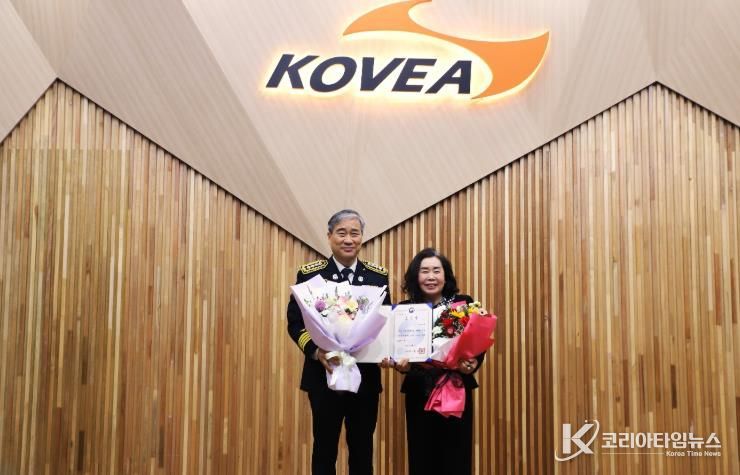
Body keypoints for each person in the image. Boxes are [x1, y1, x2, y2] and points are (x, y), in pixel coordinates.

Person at [286, 209, 392, 475]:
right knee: (324, 450)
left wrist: (387, 351)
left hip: (365, 377)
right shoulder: (311, 275)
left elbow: (385, 322)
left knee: (362, 450)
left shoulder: (377, 276)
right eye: (341, 233)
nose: (348, 239)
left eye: (354, 233)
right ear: (329, 236)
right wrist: (316, 351)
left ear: (362, 238)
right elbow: (295, 322)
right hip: (324, 375)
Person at [388, 248, 484, 475]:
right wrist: (401, 366)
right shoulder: (405, 309)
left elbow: (476, 343)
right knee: (422, 458)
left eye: (436, 271)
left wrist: (472, 362)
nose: (431, 277)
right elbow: (398, 350)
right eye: (424, 271)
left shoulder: (463, 304)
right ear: (416, 276)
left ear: (445, 275)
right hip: (419, 392)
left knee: (457, 458)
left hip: (456, 390)